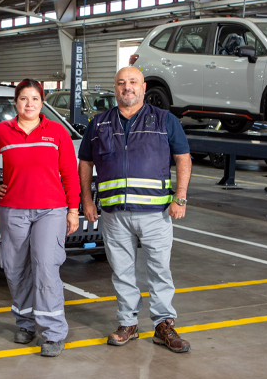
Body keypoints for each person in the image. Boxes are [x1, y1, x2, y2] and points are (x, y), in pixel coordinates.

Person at [78, 66, 193, 353]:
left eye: (132, 82)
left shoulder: (165, 120)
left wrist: (180, 197)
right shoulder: (99, 123)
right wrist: (87, 201)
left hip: (156, 214)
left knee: (159, 271)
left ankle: (163, 325)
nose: (127, 87)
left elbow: (183, 158)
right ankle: (128, 323)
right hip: (114, 215)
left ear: (143, 87)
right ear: (115, 88)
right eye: (121, 83)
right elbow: (85, 163)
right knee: (121, 272)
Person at [0, 79, 81, 357]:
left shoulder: (56, 132)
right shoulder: (1, 132)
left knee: (45, 267)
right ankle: (25, 323)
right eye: (23, 99)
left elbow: (70, 172)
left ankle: (53, 333)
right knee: (14, 268)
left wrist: (73, 209)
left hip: (50, 210)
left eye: (34, 99)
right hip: (13, 208)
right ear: (15, 102)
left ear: (42, 103)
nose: (29, 104)